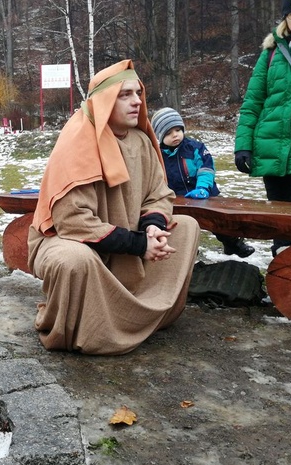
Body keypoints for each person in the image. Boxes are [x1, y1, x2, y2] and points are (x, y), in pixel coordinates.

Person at [27, 60, 200, 356]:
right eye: (125, 95)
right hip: (66, 241)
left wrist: (153, 227)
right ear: (105, 100)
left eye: (138, 93)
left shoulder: (141, 142)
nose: (137, 101)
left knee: (186, 228)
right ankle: (85, 328)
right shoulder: (79, 141)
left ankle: (144, 313)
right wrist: (138, 244)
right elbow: (72, 221)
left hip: (128, 239)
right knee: (74, 260)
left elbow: (158, 194)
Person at [234, 0, 291, 257]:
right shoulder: (271, 53)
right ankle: (284, 286)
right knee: (280, 223)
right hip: (272, 151)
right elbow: (252, 103)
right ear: (285, 17)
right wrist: (243, 145)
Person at [151, 107, 255, 258]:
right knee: (179, 225)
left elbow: (206, 168)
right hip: (177, 198)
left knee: (219, 219)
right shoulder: (157, 156)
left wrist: (203, 187)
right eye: (168, 133)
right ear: (159, 136)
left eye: (178, 130)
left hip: (204, 194)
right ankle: (189, 250)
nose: (175, 135)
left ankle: (232, 243)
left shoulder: (194, 148)